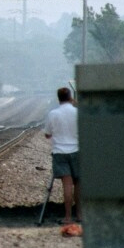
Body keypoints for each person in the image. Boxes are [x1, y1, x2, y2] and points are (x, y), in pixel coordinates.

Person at [44, 87, 80, 225]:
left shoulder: (53, 114)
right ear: (70, 97)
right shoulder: (77, 112)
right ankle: (80, 215)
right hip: (76, 151)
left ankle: (67, 217)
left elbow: (47, 134)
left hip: (60, 152)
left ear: (58, 99)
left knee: (67, 185)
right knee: (78, 184)